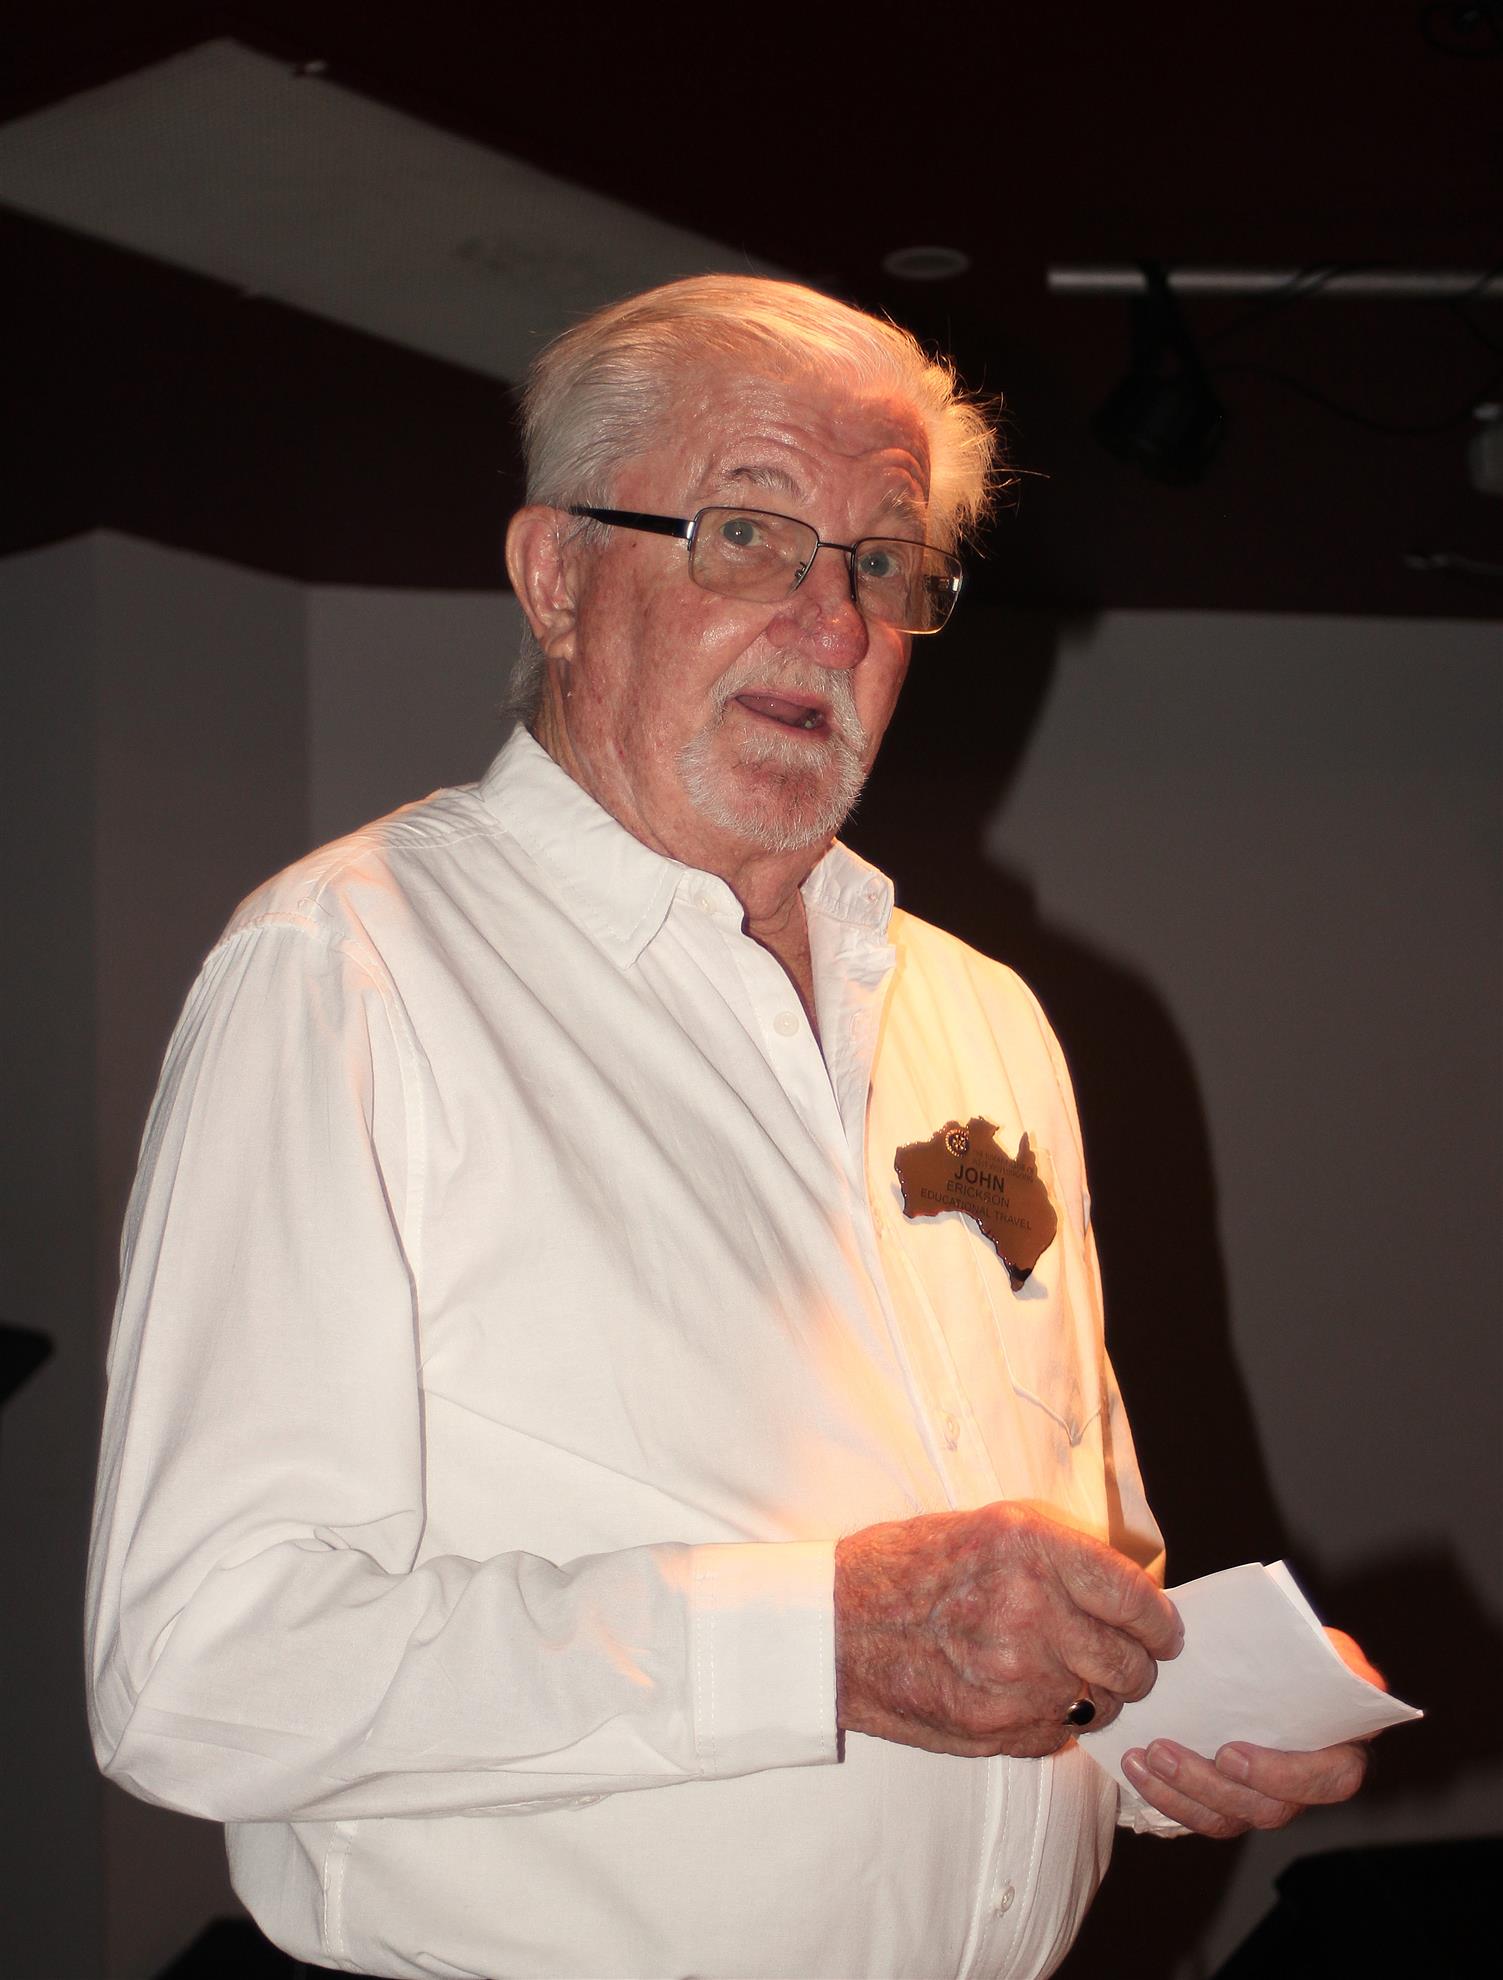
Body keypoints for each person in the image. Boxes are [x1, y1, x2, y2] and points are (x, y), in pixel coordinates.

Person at [86, 276, 1373, 1980]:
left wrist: (1168, 1712)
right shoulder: (352, 971)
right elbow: (198, 1671)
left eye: (885, 563)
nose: (833, 626)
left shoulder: (984, 1017)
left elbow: (1049, 1584)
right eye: (748, 535)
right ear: (556, 577)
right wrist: (817, 1643)